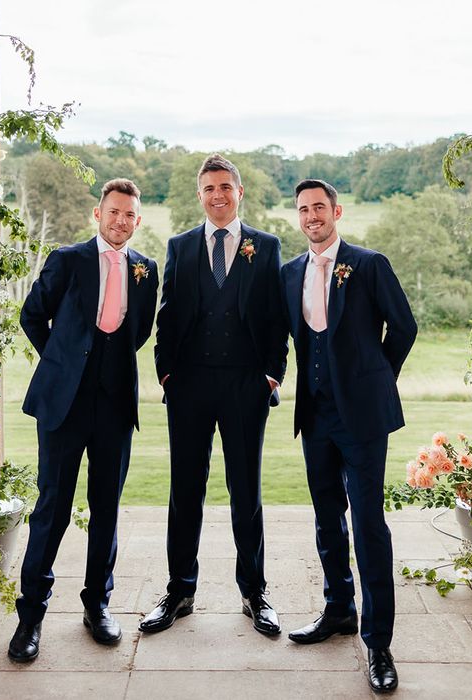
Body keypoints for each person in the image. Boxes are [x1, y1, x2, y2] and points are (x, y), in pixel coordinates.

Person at [8, 178, 159, 661]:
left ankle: (98, 605)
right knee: (51, 508)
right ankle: (30, 617)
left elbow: (139, 331)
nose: (121, 221)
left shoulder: (145, 269)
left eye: (130, 215)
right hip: (63, 403)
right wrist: (63, 362)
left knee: (107, 509)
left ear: (138, 220)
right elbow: (32, 316)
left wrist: (109, 366)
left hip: (115, 404)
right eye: (113, 212)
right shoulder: (67, 260)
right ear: (99, 214)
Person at [139, 154, 287, 636]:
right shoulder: (180, 246)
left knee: (246, 491)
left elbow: (275, 319)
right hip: (189, 385)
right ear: (199, 196)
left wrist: (271, 375)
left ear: (239, 192)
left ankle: (254, 592)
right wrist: (165, 374)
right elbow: (168, 314)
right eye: (208, 188)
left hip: (246, 384)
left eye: (225, 186)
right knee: (185, 490)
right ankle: (180, 590)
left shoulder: (265, 247)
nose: (217, 195)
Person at [280, 179, 416, 693]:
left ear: (336, 211)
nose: (312, 215)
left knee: (368, 525)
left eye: (320, 206)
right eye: (303, 209)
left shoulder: (368, 264)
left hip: (361, 418)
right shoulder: (290, 271)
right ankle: (339, 609)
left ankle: (378, 642)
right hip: (313, 417)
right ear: (298, 217)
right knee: (326, 520)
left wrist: (377, 379)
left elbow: (403, 328)